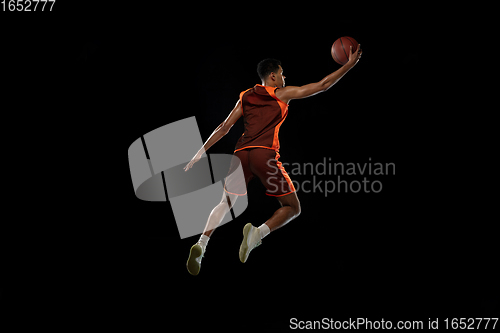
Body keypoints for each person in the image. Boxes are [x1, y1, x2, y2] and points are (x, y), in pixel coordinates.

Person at [184, 45, 362, 275]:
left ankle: (201, 244)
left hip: (240, 156)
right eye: (282, 73)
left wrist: (200, 150)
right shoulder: (280, 94)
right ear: (273, 76)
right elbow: (322, 85)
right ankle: (257, 233)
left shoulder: (245, 96)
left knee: (225, 203)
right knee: (293, 207)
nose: (285, 77)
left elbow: (224, 127)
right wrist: (348, 65)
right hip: (263, 155)